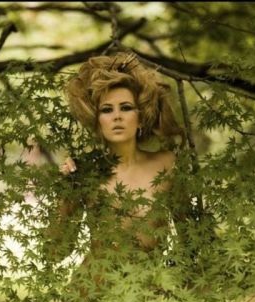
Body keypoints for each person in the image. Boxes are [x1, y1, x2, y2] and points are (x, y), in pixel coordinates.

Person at [56, 51, 186, 271]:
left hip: (151, 295)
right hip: (91, 294)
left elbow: (191, 241)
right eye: (107, 110)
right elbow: (55, 253)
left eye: (126, 108)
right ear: (97, 120)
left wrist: (171, 276)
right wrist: (66, 192)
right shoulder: (84, 170)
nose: (117, 116)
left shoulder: (168, 164)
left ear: (141, 116)